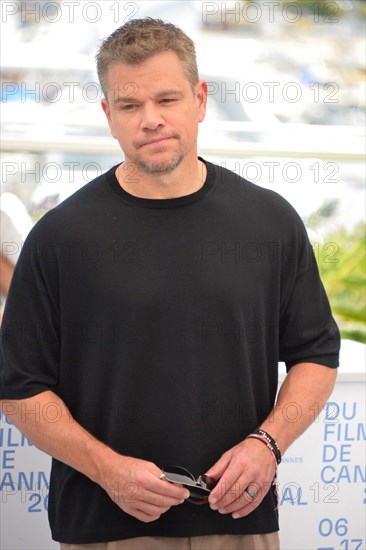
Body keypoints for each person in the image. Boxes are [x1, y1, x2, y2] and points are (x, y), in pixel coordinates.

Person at [0, 18, 340, 550]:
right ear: (109, 116)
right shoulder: (60, 237)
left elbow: (316, 353)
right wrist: (106, 468)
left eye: (167, 99)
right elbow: (18, 387)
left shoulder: (269, 222)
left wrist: (267, 445)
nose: (151, 120)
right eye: (131, 106)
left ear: (200, 100)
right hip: (106, 524)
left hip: (240, 521)